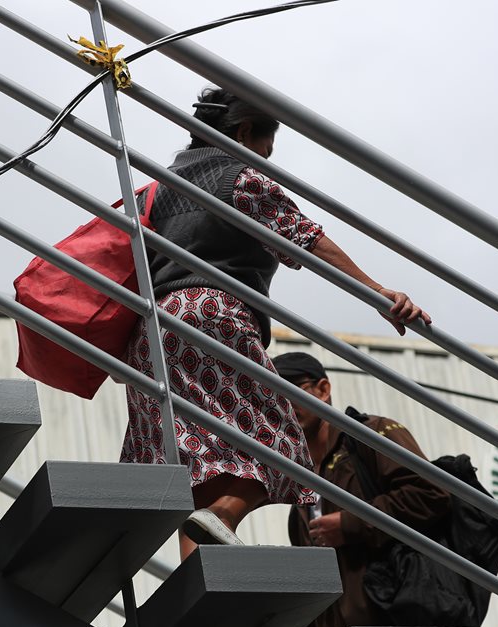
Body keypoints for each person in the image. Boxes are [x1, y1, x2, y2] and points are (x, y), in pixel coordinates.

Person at [119, 87, 431, 561]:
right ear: (243, 132)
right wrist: (378, 293)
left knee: (196, 467)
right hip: (212, 317)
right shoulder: (240, 179)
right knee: (282, 439)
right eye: (268, 147)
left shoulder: (157, 187)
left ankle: (195, 576)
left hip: (148, 333)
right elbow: (309, 242)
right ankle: (225, 517)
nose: (267, 160)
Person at [271, 349, 453, 627]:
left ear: (323, 389)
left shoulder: (371, 436)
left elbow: (432, 494)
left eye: (292, 391)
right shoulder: (302, 492)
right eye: (273, 396)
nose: (284, 405)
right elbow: (318, 597)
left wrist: (351, 523)